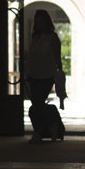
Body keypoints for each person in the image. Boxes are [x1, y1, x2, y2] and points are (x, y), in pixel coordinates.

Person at [25, 10, 65, 142]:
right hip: (34, 75)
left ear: (46, 22)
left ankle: (39, 132)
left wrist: (59, 74)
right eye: (37, 20)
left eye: (42, 20)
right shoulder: (35, 37)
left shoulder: (52, 38)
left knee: (37, 105)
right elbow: (32, 56)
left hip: (47, 76)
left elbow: (57, 57)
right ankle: (50, 125)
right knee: (36, 106)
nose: (39, 23)